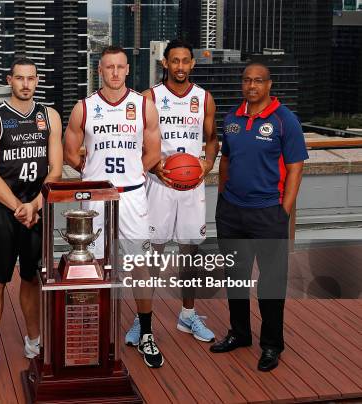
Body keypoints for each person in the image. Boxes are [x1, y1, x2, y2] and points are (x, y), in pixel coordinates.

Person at [64, 46, 163, 368]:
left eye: (120, 67)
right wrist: (93, 176)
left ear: (127, 70)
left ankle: (146, 331)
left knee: (138, 266)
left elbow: (153, 152)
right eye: (109, 67)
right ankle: (94, 329)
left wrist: (132, 174)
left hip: (132, 195)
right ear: (100, 71)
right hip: (96, 196)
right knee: (92, 263)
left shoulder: (143, 105)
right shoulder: (85, 107)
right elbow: (69, 152)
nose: (116, 73)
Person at [209, 62, 308, 372]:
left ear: (269, 85)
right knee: (235, 277)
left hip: (268, 213)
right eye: (247, 80)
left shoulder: (285, 121)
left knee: (271, 283)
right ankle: (239, 334)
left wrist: (284, 211)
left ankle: (271, 345)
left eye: (258, 81)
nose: (252, 86)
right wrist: (223, 198)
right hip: (232, 211)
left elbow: (295, 169)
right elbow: (226, 160)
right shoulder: (233, 118)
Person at [125, 39, 219, 345]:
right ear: (165, 63)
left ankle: (188, 315)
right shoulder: (149, 97)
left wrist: (207, 163)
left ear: (192, 64)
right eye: (174, 61)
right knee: (153, 256)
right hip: (159, 184)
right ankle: (143, 322)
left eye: (185, 61)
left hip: (192, 186)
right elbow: (135, 142)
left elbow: (212, 139)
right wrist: (153, 167)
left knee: (189, 255)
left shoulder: (204, 98)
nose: (180, 66)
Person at [0, 57, 63, 382]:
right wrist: (19, 206)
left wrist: (37, 203)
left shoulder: (49, 116)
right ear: (9, 80)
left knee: (32, 279)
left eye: (31, 78)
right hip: (5, 211)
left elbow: (55, 170)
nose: (26, 84)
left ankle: (34, 341)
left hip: (38, 210)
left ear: (37, 80)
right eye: (20, 78)